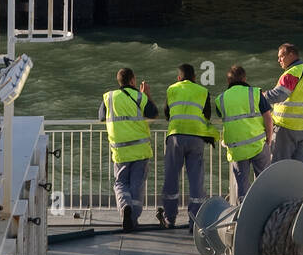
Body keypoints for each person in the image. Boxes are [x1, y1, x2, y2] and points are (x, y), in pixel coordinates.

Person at [99, 67, 158, 232]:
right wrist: (147, 95)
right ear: (133, 81)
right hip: (140, 150)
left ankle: (125, 206)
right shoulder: (140, 96)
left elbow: (101, 116)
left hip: (120, 150)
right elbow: (153, 113)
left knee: (120, 183)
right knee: (137, 185)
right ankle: (133, 220)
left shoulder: (109, 97)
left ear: (119, 81)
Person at [157, 62, 212, 232]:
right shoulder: (203, 91)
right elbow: (208, 115)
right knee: (196, 180)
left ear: (179, 77)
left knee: (171, 177)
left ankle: (169, 218)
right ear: (195, 77)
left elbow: (167, 113)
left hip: (176, 136)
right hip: (196, 137)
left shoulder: (172, 89)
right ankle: (194, 222)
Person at [213, 65, 273, 203]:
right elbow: (268, 118)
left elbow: (222, 116)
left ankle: (243, 215)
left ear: (228, 81)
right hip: (258, 144)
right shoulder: (255, 93)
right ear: (245, 78)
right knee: (264, 181)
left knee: (242, 185)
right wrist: (268, 139)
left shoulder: (220, 99)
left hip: (237, 149)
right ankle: (266, 211)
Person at [264, 43, 303, 165]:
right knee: (298, 167)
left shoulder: (292, 73)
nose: (279, 60)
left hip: (285, 127)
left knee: (279, 166)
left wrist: (259, 96)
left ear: (291, 55)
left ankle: (279, 185)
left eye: (281, 56)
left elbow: (279, 95)